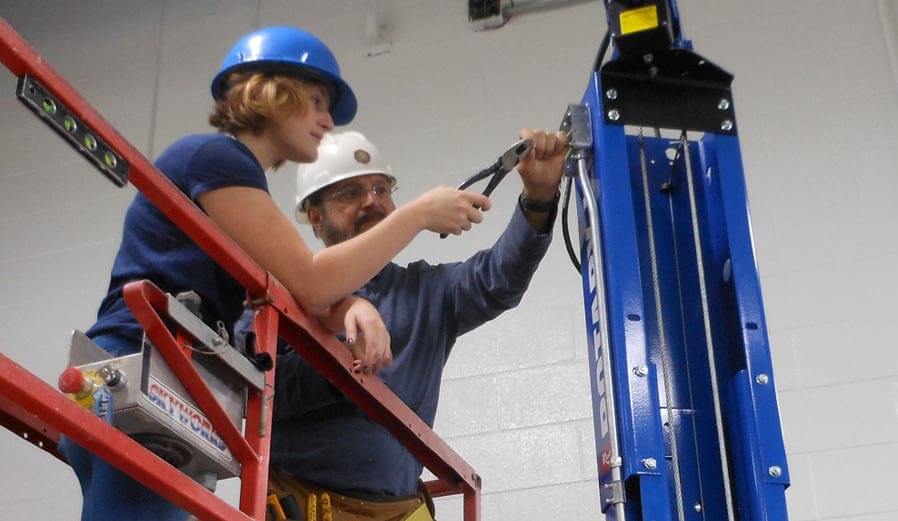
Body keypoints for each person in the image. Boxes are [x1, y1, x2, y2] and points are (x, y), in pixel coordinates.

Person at [60, 26, 489, 521]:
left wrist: (353, 304)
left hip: (160, 382)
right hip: (140, 368)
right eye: (316, 100)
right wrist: (414, 215)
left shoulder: (234, 177)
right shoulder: (217, 159)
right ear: (272, 93)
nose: (328, 120)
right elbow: (309, 280)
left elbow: (295, 295)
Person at [260, 129, 567, 520]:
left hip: (402, 512)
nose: (371, 202)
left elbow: (500, 278)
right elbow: (258, 390)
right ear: (316, 218)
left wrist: (538, 199)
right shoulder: (282, 291)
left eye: (380, 190)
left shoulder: (429, 292)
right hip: (304, 506)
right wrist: (335, 367)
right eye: (350, 193)